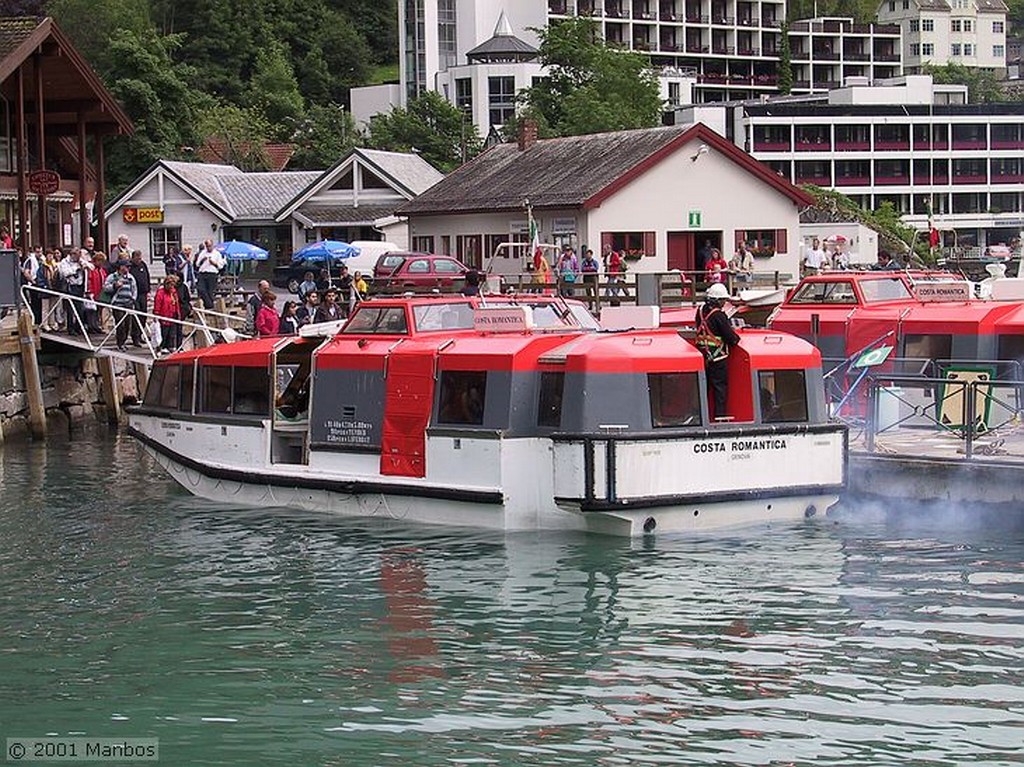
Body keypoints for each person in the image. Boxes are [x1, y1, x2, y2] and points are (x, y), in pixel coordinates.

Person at [695, 282, 741, 421]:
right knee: (720, 390)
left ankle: (700, 417)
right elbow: (732, 339)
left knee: (703, 389)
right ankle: (720, 419)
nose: (724, 303)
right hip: (718, 359)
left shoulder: (700, 311)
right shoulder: (719, 315)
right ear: (718, 300)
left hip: (702, 357)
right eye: (723, 300)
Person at [104, 259, 142, 349]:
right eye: (126, 266)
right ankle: (120, 343)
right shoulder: (113, 276)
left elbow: (134, 289)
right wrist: (114, 286)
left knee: (127, 324)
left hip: (128, 303)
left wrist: (133, 298)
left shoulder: (130, 277)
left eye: (129, 267)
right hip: (118, 303)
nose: (128, 268)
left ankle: (124, 341)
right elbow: (105, 287)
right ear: (121, 267)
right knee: (120, 324)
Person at [58, 248, 87, 334]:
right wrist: (76, 269)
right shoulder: (64, 262)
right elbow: (64, 273)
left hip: (80, 286)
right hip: (70, 286)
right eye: (76, 256)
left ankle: (78, 327)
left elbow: (91, 267)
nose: (78, 259)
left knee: (80, 308)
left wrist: (85, 265)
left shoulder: (80, 261)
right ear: (72, 255)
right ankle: (71, 329)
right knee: (70, 309)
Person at [153, 274, 182, 354]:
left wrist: (178, 313)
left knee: (172, 333)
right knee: (164, 333)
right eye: (171, 285)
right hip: (164, 315)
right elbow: (157, 304)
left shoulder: (174, 292)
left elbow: (176, 304)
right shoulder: (160, 293)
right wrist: (156, 314)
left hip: (172, 315)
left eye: (173, 285)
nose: (172, 287)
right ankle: (161, 347)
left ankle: (170, 346)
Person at [195, 239, 225, 309]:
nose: (209, 248)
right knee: (201, 289)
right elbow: (197, 264)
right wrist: (203, 260)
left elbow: (220, 266)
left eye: (210, 246)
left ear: (212, 245)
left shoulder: (217, 254)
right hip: (202, 273)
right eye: (207, 246)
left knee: (210, 292)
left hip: (212, 274)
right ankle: (210, 306)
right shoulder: (202, 253)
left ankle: (209, 307)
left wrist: (214, 263)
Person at [84, 252, 108, 333]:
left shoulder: (101, 270)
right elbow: (89, 280)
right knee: (91, 311)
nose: (102, 263)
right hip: (93, 293)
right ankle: (91, 326)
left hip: (100, 293)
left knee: (98, 310)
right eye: (100, 261)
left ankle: (96, 325)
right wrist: (89, 291)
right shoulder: (91, 269)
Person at [128, 249, 151, 314]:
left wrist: (148, 290)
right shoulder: (130, 267)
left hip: (143, 293)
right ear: (133, 258)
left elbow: (147, 276)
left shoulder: (143, 264)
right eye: (137, 258)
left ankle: (143, 323)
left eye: (140, 258)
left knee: (144, 310)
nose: (139, 260)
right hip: (135, 293)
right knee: (137, 310)